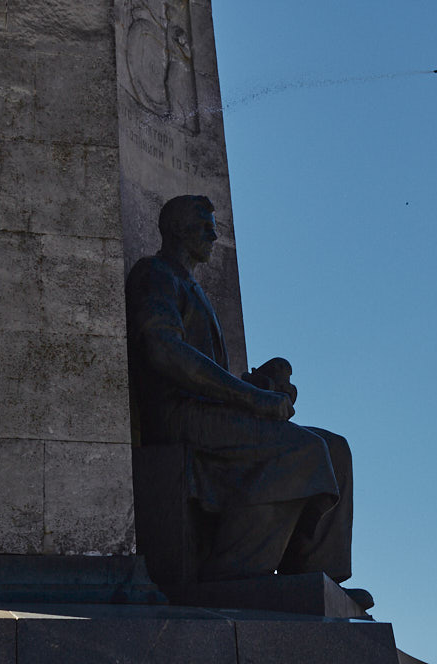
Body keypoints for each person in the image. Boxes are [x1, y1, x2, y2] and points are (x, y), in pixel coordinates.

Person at [125, 195, 370, 608]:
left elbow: (211, 372)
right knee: (301, 450)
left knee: (335, 448)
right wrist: (252, 398)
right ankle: (236, 569)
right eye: (206, 226)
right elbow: (163, 350)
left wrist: (261, 385)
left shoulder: (194, 289)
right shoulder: (155, 274)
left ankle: (313, 573)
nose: (214, 235)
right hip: (179, 415)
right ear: (178, 229)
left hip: (211, 413)